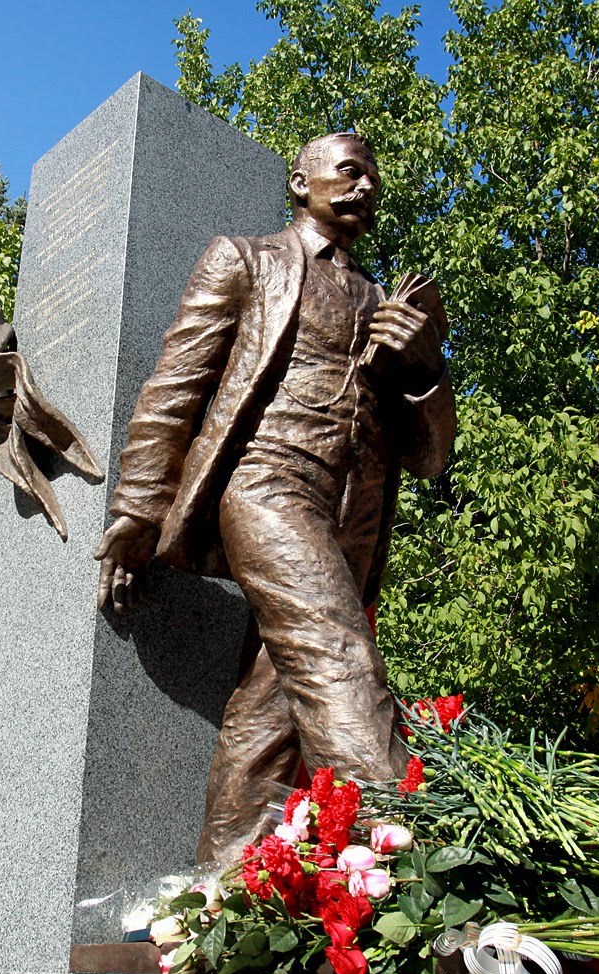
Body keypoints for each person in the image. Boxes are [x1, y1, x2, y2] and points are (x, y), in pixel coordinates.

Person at [93, 133, 456, 866]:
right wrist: (137, 509)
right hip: (268, 482)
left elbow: (431, 458)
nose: (365, 188)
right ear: (300, 182)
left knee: (277, 707)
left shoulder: (388, 301)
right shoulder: (246, 259)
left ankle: (222, 885)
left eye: (373, 178)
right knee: (336, 657)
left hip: (358, 511)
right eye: (348, 172)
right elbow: (175, 387)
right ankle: (412, 851)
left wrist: (424, 369)